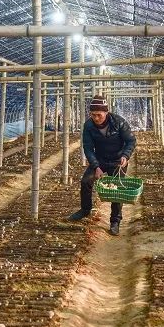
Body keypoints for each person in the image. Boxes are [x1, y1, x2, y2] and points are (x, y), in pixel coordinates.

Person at [69, 95, 136, 236]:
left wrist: (125, 156)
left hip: (118, 160)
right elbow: (87, 148)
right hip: (100, 159)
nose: (96, 118)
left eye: (99, 115)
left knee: (117, 190)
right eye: (93, 115)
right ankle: (85, 210)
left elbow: (130, 140)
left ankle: (115, 221)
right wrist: (96, 166)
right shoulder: (88, 126)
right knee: (86, 181)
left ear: (106, 112)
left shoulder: (119, 122)